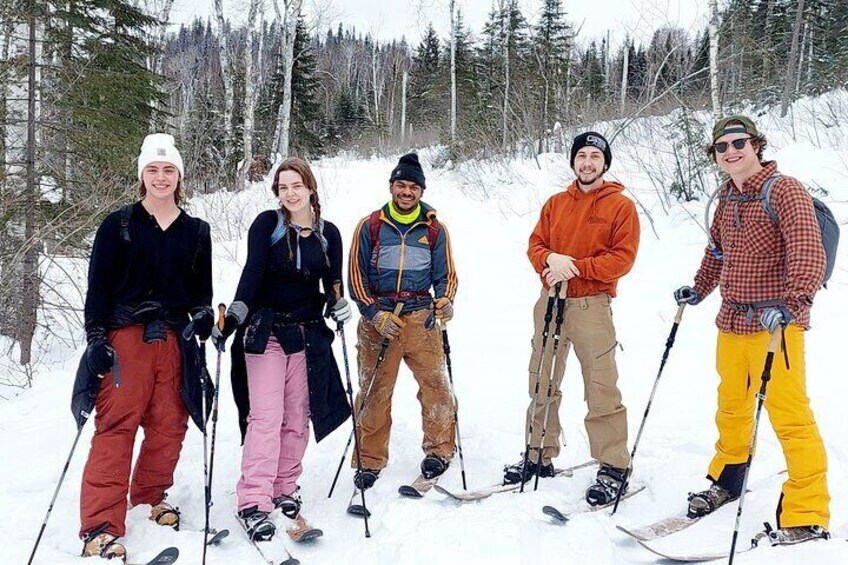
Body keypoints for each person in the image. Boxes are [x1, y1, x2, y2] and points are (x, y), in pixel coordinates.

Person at [674, 116, 830, 544]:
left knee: (791, 418)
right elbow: (717, 253)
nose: (731, 152)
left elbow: (808, 252)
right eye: (722, 147)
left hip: (776, 324)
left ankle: (807, 510)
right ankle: (728, 478)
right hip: (732, 322)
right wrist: (699, 288)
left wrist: (792, 306)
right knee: (732, 408)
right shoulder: (727, 198)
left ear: (756, 144)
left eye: (738, 143)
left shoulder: (785, 189)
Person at [76, 133, 213, 560]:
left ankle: (151, 497)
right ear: (141, 175)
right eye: (152, 170)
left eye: (168, 169)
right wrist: (96, 338)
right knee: (116, 427)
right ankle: (100, 525)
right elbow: (97, 291)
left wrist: (205, 316)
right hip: (126, 339)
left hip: (174, 340)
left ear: (179, 176)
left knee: (171, 423)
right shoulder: (118, 225)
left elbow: (200, 295)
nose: (160, 177)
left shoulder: (196, 231)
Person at [212, 157, 351, 541]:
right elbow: (252, 273)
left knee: (297, 417)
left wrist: (339, 305)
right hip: (266, 332)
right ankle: (253, 499)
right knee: (266, 417)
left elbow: (333, 284)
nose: (290, 193)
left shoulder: (329, 234)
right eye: (283, 187)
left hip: (307, 335)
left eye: (296, 185)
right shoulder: (267, 226)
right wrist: (234, 317)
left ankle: (284, 486)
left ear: (311, 188)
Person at [502, 132, 640, 506]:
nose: (588, 162)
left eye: (595, 156)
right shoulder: (555, 203)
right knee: (542, 378)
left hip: (590, 306)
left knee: (601, 386)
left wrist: (575, 267)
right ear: (574, 162)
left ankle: (613, 464)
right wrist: (548, 260)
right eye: (582, 156)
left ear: (605, 164)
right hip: (550, 302)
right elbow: (535, 245)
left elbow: (622, 258)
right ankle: (537, 452)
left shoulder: (620, 207)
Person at [347, 152, 458, 489]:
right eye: (401, 185)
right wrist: (374, 314)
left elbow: (446, 276)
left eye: (413, 186)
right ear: (391, 187)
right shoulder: (370, 226)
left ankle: (438, 451)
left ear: (421, 191)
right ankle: (369, 459)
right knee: (374, 392)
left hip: (422, 320)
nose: (406, 192)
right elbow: (355, 278)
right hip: (379, 322)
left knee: (436, 388)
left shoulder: (435, 229)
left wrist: (445, 302)